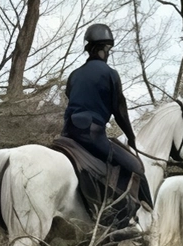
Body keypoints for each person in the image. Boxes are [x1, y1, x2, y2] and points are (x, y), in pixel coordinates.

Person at [62, 23, 151, 210]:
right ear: (101, 48)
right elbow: (120, 110)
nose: (108, 53)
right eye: (107, 48)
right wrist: (132, 137)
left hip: (68, 134)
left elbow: (72, 97)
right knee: (135, 166)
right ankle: (137, 213)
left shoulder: (74, 75)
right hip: (92, 135)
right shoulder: (110, 74)